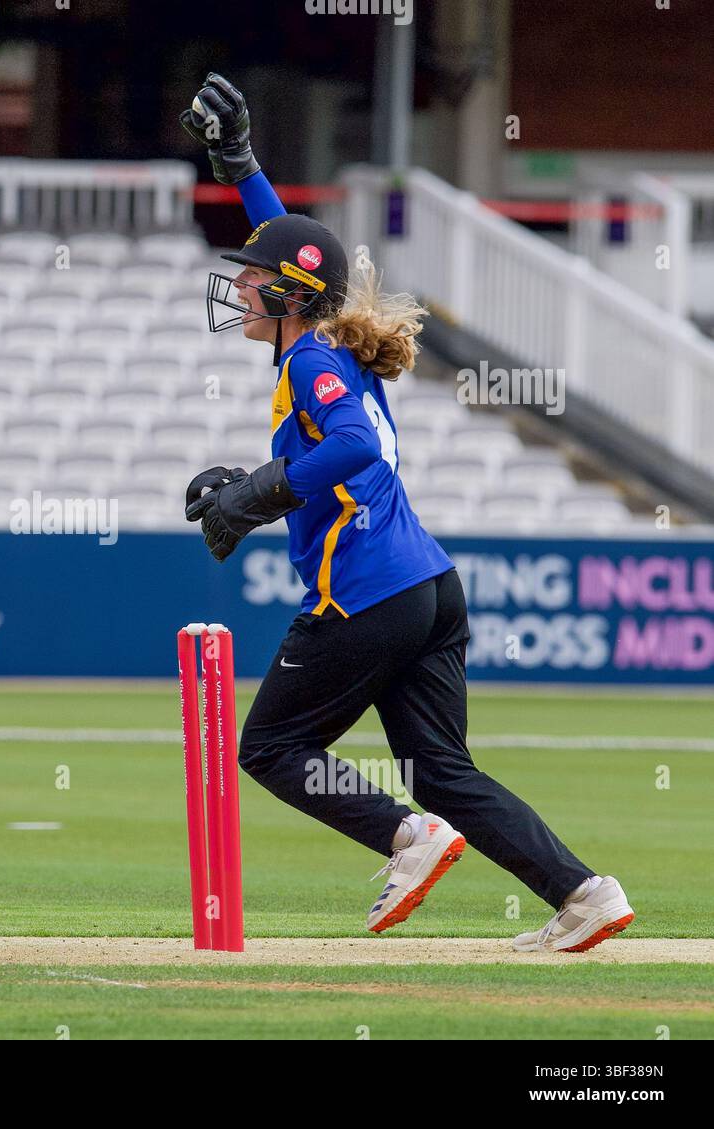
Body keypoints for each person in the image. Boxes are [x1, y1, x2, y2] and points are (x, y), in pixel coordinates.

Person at [179, 75, 633, 953]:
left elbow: (351, 447)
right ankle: (584, 893)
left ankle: (407, 838)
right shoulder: (327, 338)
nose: (238, 287)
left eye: (250, 279)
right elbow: (308, 257)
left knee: (269, 747)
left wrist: (259, 492)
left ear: (285, 299)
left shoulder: (312, 359)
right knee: (444, 771)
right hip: (428, 584)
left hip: (367, 592)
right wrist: (241, 166)